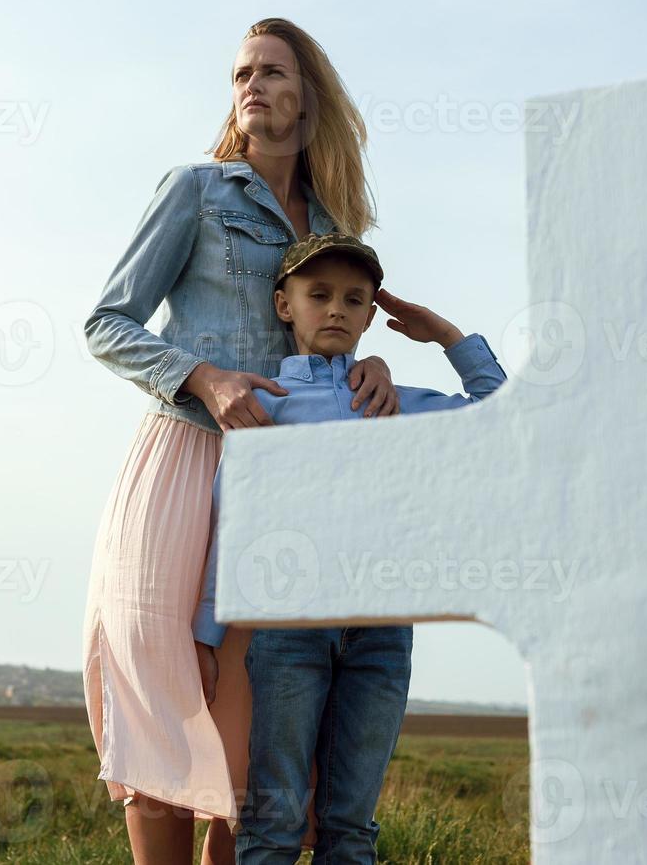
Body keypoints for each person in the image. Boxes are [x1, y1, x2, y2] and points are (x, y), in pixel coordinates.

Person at [81, 19, 423, 865]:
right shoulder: (196, 190)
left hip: (286, 484)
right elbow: (106, 324)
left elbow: (333, 320)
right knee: (167, 704)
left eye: (273, 71)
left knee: (252, 730)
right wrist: (205, 378)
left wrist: (371, 360)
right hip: (181, 462)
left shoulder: (337, 219)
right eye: (241, 73)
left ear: (310, 95)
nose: (251, 85)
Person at [190, 232, 508, 864]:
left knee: (352, 826)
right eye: (319, 295)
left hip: (384, 632)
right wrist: (205, 633)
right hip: (290, 630)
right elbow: (232, 522)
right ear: (285, 305)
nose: (335, 309)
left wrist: (445, 334)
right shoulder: (263, 407)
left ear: (370, 316)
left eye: (354, 299)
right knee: (274, 823)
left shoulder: (396, 403)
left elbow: (504, 415)